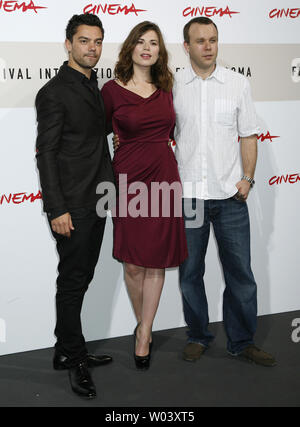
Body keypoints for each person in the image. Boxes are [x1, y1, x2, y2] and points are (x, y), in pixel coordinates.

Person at [173, 17, 276, 366]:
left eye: (212, 39)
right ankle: (198, 336)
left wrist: (247, 177)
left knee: (241, 275)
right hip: (190, 197)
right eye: (199, 40)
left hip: (232, 197)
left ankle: (242, 340)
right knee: (190, 275)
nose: (207, 46)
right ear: (186, 46)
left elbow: (248, 134)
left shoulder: (237, 84)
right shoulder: (173, 86)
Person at [35, 14, 115, 399]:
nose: (92, 48)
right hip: (74, 205)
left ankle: (63, 348)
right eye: (84, 41)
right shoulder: (54, 92)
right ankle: (73, 357)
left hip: (98, 200)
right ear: (68, 44)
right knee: (72, 282)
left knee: (79, 279)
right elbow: (46, 155)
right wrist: (56, 209)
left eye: (98, 42)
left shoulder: (93, 84)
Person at [101, 21, 188, 370]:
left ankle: (144, 332)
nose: (147, 47)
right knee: (133, 261)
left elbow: (181, 129)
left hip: (164, 177)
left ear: (160, 51)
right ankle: (144, 324)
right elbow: (98, 132)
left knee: (156, 260)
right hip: (127, 180)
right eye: (140, 41)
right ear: (131, 48)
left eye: (153, 42)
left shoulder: (168, 87)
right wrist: (114, 141)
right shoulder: (111, 90)